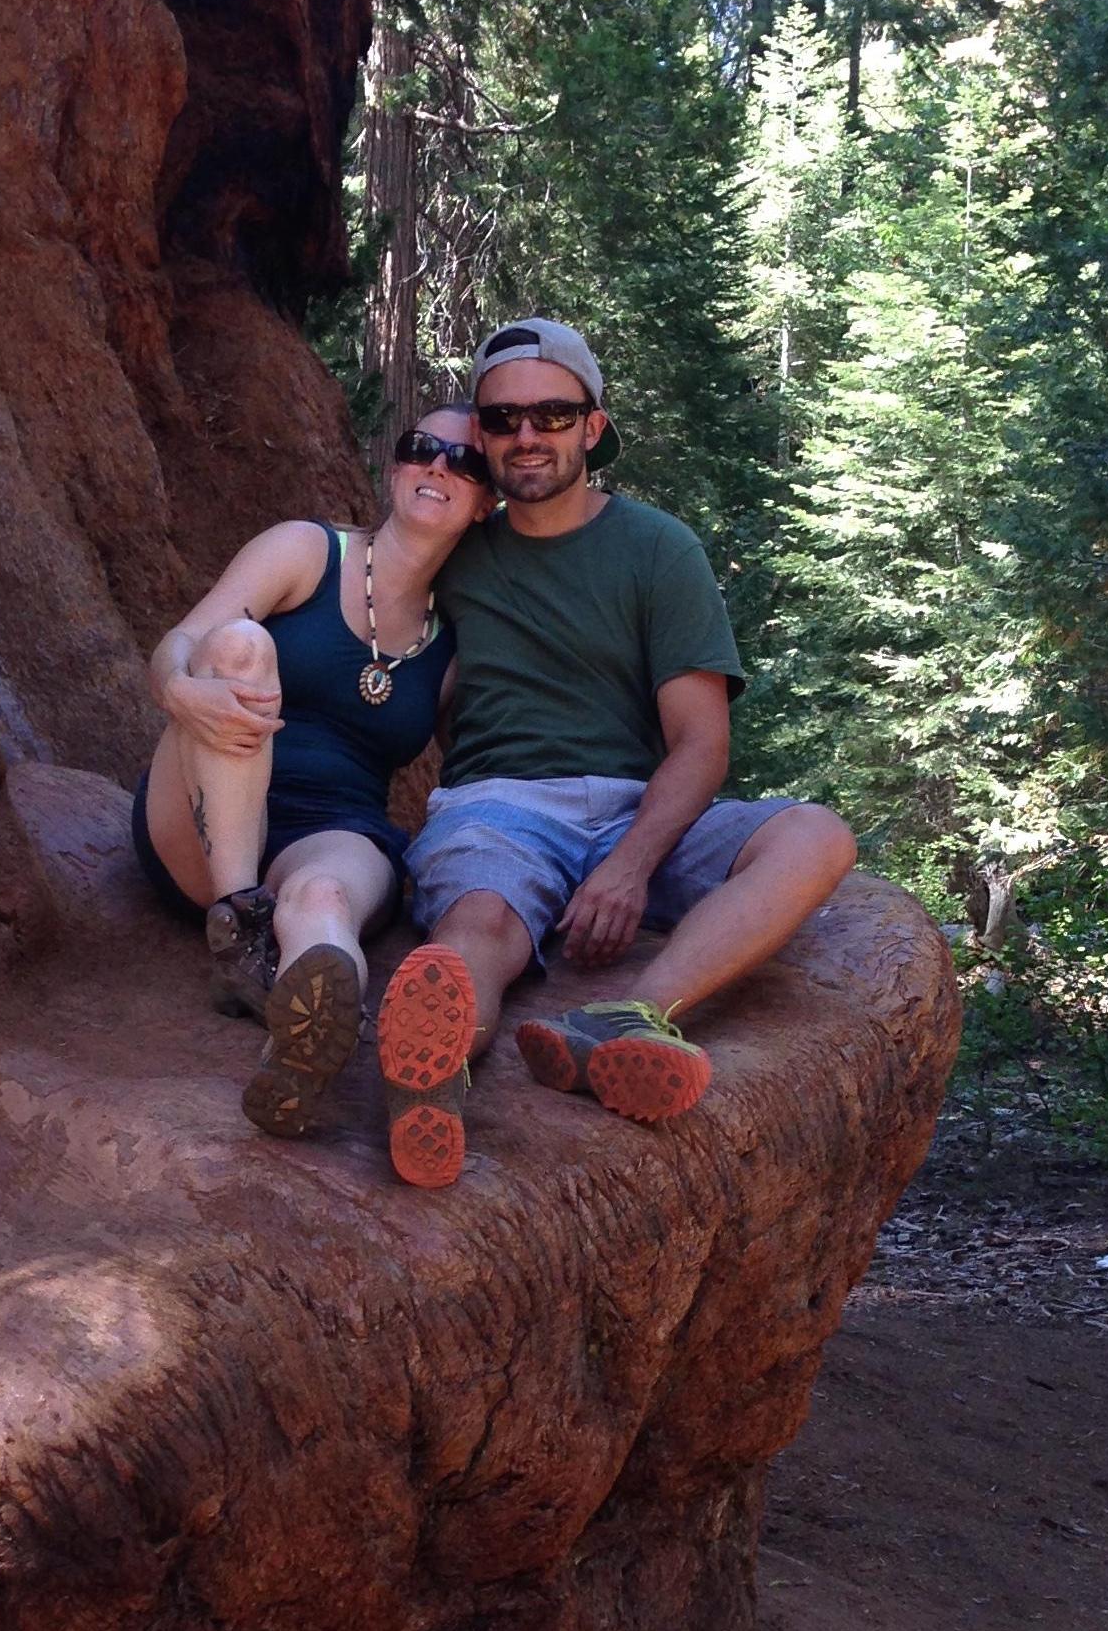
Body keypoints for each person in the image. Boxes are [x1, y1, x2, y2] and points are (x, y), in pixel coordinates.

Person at [368, 319, 860, 1190]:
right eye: (503, 418)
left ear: (592, 427)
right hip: (498, 805)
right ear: (479, 432)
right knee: (478, 925)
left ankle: (627, 1018)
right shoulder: (455, 551)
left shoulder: (657, 548)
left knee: (815, 837)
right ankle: (431, 1080)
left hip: (644, 807)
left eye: (552, 415)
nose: (527, 436)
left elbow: (702, 742)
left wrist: (630, 866)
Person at [134, 406, 493, 1138]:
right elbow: (184, 640)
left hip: (333, 827)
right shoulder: (306, 550)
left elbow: (485, 758)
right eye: (422, 448)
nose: (438, 467)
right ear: (394, 468)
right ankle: (239, 928)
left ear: (487, 502)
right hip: (204, 811)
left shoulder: (453, 643)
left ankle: (300, 1051)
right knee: (237, 646)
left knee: (327, 901)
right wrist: (178, 689)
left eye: (466, 462)